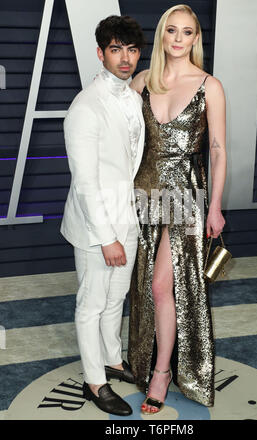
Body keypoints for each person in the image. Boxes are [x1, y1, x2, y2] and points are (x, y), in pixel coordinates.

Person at [127, 4, 226, 414]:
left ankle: (162, 373)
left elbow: (217, 150)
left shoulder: (209, 85)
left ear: (195, 38)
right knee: (142, 287)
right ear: (163, 37)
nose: (179, 39)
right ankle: (143, 358)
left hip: (185, 197)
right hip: (142, 195)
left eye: (187, 32)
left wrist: (215, 205)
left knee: (161, 286)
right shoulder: (141, 83)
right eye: (172, 30)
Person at [60, 15, 146, 416]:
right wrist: (105, 236)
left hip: (126, 216)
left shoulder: (132, 97)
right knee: (91, 303)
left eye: (130, 49)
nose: (124, 58)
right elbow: (85, 182)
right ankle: (95, 381)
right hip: (97, 226)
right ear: (100, 53)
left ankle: (113, 359)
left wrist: (124, 225)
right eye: (115, 49)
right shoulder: (85, 107)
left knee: (117, 297)